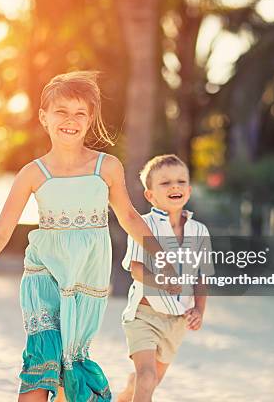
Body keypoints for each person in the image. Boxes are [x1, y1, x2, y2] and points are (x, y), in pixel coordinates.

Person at [0, 71, 178, 402]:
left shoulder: (106, 168)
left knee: (72, 363)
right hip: (44, 277)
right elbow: (0, 232)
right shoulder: (33, 173)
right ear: (44, 117)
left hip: (87, 279)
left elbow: (128, 217)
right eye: (61, 112)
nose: (70, 120)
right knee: (43, 357)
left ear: (91, 119)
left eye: (80, 113)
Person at [116, 154, 214, 402]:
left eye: (181, 181)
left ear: (189, 191)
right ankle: (137, 383)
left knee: (152, 380)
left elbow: (202, 276)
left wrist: (199, 310)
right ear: (150, 195)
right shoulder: (143, 225)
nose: (175, 186)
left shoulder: (199, 231)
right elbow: (134, 267)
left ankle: (128, 391)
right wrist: (159, 279)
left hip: (177, 320)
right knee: (147, 378)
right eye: (165, 182)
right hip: (143, 315)